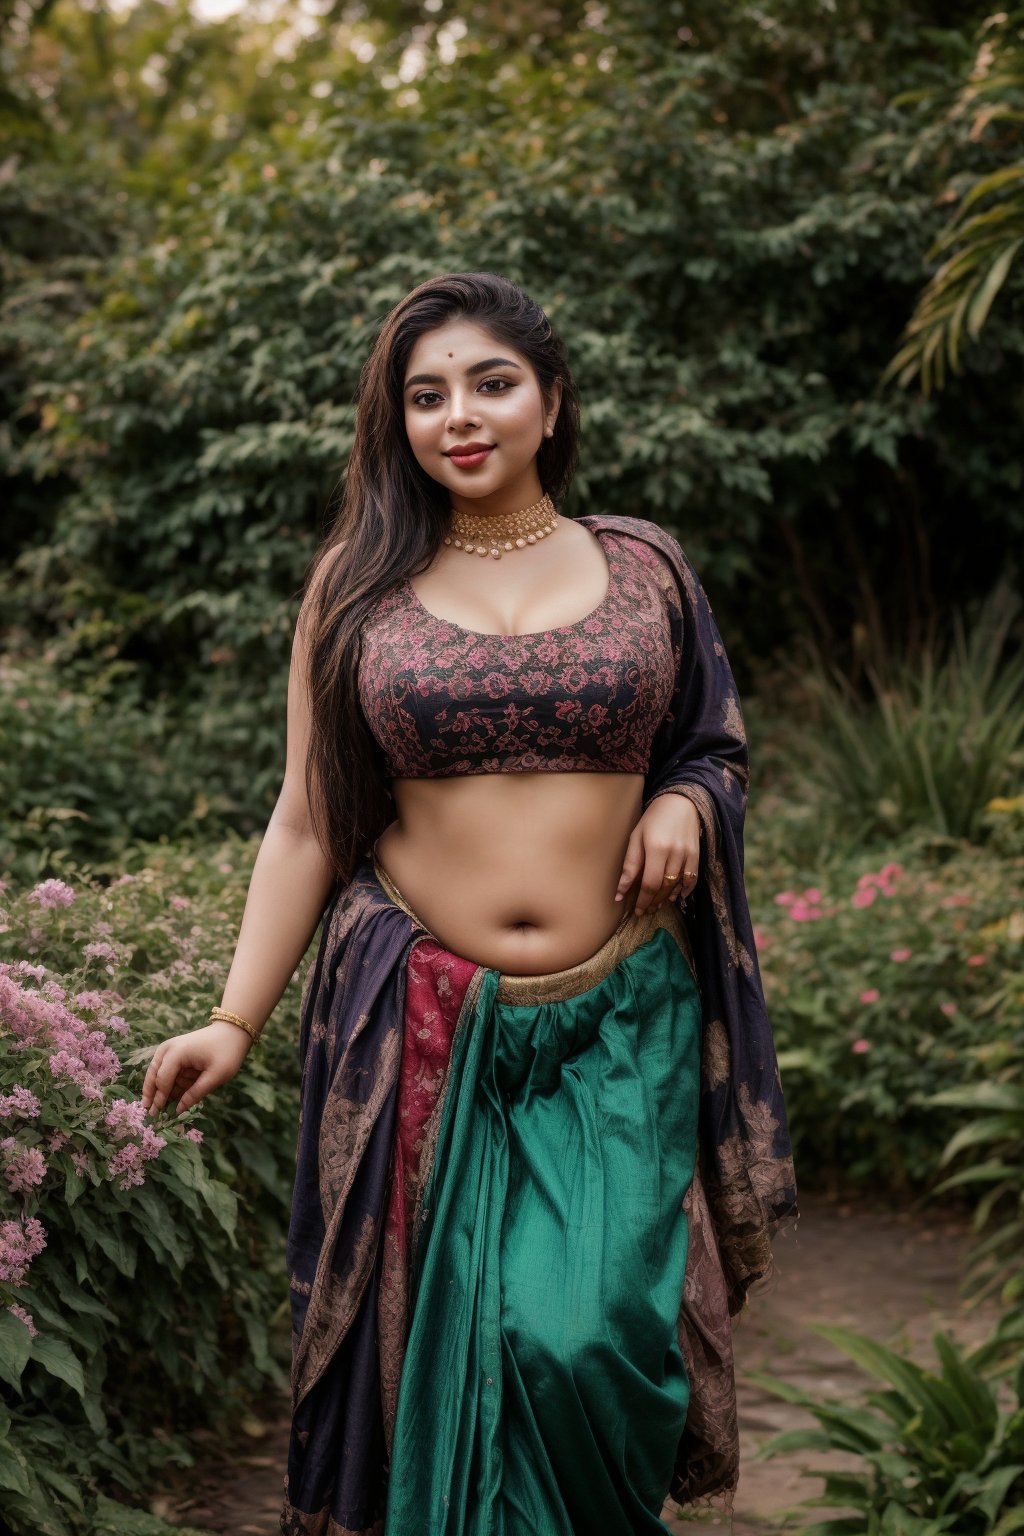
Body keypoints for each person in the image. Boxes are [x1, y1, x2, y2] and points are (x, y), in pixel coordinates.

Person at [140, 270, 799, 1536]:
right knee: (429, 1363)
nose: (460, 415)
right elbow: (309, 819)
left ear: (550, 401)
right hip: (421, 1016)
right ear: (397, 423)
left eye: (491, 383)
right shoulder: (356, 587)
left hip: (618, 1021)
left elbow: (712, 747)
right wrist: (234, 1017)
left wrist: (683, 801)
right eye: (424, 394)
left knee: (585, 1339)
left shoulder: (644, 566)